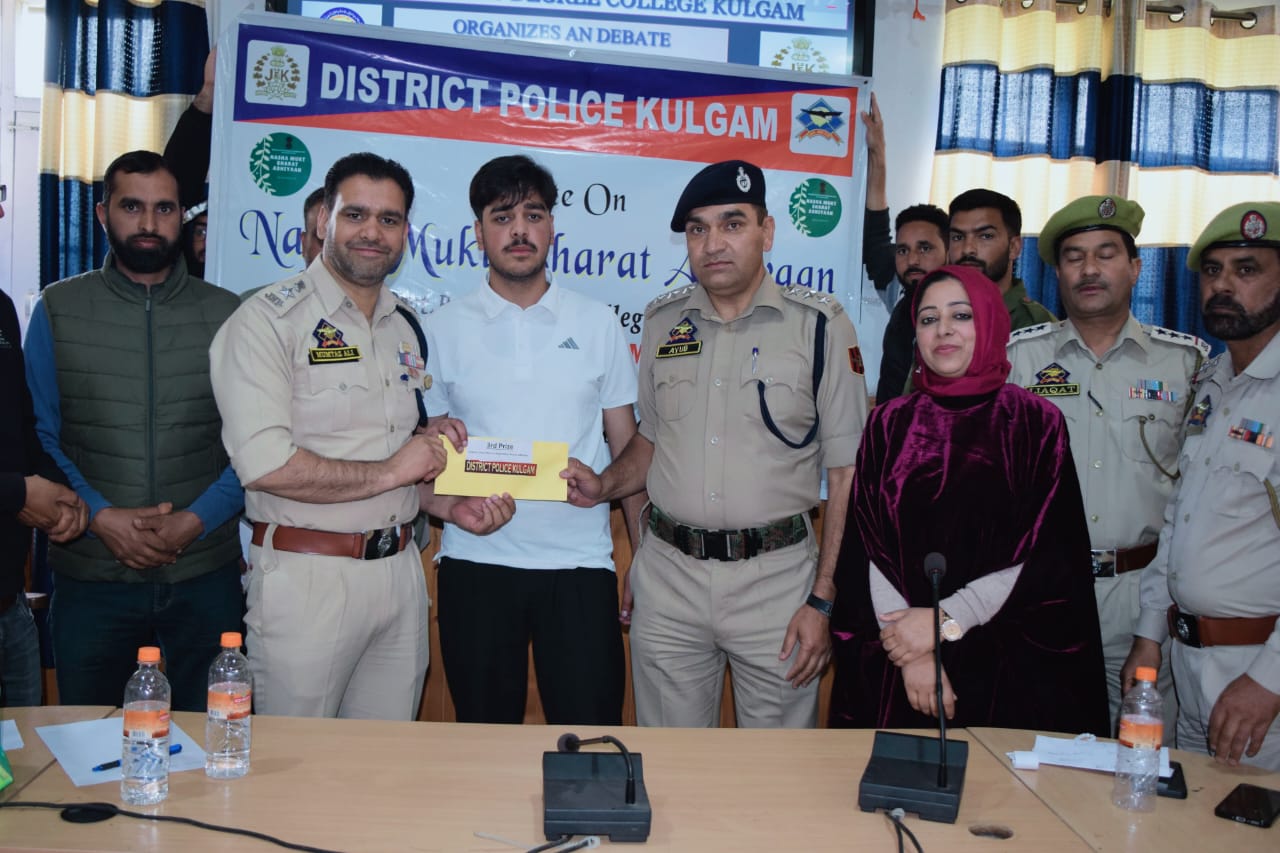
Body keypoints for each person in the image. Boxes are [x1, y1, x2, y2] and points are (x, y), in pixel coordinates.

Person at [562, 160, 869, 727]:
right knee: (670, 762)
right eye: (697, 229)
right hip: (669, 580)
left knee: (778, 766)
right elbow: (650, 440)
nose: (713, 243)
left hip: (777, 586)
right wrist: (604, 485)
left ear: (767, 231)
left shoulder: (820, 326)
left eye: (732, 224)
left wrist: (824, 598)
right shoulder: (663, 322)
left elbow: (848, 471)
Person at [210, 152, 513, 720]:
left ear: (405, 233)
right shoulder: (267, 321)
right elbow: (265, 465)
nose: (372, 232)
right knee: (297, 764)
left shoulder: (405, 327)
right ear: (322, 219)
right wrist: (398, 468)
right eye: (356, 215)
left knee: (387, 764)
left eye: (389, 219)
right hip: (308, 579)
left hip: (400, 574)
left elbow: (391, 455)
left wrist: (447, 505)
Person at [829, 264, 1109, 734]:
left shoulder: (1035, 422)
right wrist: (910, 650)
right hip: (902, 661)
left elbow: (1046, 556)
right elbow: (868, 550)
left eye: (961, 315)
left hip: (1008, 656)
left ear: (991, 322)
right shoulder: (888, 423)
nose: (943, 330)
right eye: (928, 319)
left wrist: (943, 622)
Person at [422, 155, 640, 725]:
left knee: (589, 741)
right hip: (475, 561)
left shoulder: (597, 323)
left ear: (552, 227)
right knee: (483, 742)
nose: (519, 230)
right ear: (478, 233)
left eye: (533, 215)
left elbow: (629, 451)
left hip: (580, 566)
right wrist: (450, 501)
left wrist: (640, 554)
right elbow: (423, 455)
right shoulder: (439, 329)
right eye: (502, 217)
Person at [25, 150, 245, 711]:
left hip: (204, 571)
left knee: (214, 738)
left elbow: (253, 443)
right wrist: (102, 517)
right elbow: (37, 437)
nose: (149, 222)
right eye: (132, 207)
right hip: (93, 574)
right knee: (89, 739)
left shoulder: (229, 315)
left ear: (182, 217)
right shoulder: (58, 308)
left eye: (164, 208)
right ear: (103, 214)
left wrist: (195, 522)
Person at [1008, 196, 1204, 737]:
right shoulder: (1017, 360)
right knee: (1040, 749)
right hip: (1044, 591)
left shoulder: (1186, 364)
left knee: (1142, 752)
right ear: (1057, 274)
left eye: (1106, 254)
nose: (1089, 269)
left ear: (1136, 268)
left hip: (1144, 598)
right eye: (1074, 257)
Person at [1122, 201, 1280, 770]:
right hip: (1189, 666)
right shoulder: (1212, 381)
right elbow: (1179, 519)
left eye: (1246, 269)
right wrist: (1148, 634)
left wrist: (1269, 681)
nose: (1223, 286)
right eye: (1212, 271)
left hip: (1257, 677)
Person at [1, 290, 88, 707]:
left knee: (28, 748)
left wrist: (63, 495)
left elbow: (22, 427)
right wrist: (18, 493)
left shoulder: (1, 307)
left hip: (10, 606)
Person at [858, 93, 949, 404]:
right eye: (903, 249)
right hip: (890, 425)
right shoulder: (898, 290)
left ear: (949, 251)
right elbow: (875, 233)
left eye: (925, 248)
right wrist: (878, 153)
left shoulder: (966, 311)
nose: (912, 259)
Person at [948, 189, 1057, 331]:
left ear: (1014, 247)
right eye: (958, 237)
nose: (967, 249)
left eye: (985, 236)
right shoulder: (936, 312)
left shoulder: (1037, 327)